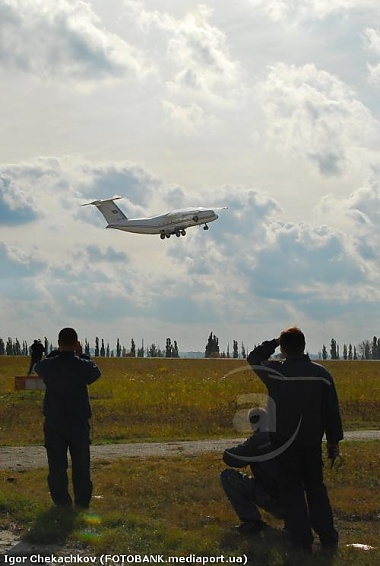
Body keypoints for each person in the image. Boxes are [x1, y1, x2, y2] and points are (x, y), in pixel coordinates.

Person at [247, 327, 343, 553]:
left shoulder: (275, 372)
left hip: (284, 444)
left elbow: (253, 358)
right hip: (311, 444)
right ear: (304, 345)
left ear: (283, 348)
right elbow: (331, 412)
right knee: (316, 489)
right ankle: (328, 536)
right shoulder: (322, 374)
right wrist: (333, 444)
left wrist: (272, 342)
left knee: (293, 491)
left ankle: (301, 540)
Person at [35, 327, 101, 509]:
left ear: (58, 343)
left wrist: (55, 353)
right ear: (76, 343)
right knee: (81, 464)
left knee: (56, 465)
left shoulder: (49, 364)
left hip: (54, 421)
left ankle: (62, 502)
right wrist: (83, 355)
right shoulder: (83, 364)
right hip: (78, 421)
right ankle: (82, 502)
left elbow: (38, 367)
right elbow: (95, 373)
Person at [220, 407, 285, 534]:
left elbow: (231, 458)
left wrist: (246, 445)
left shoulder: (257, 441)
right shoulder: (281, 436)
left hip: (270, 496)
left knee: (227, 476)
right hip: (293, 497)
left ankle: (252, 522)